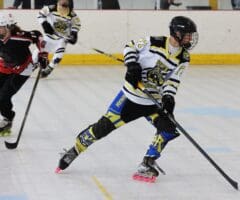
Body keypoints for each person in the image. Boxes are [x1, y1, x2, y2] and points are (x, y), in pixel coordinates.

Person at [56, 16, 198, 182]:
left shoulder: (184, 57)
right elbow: (130, 47)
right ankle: (75, 149)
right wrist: (131, 65)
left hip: (152, 102)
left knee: (168, 129)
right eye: (188, 35)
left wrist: (168, 97)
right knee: (102, 128)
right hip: (129, 98)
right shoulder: (154, 42)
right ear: (177, 33)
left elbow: (173, 80)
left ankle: (147, 163)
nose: (190, 39)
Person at [0, 12, 48, 136]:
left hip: (23, 69)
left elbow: (37, 36)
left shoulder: (19, 37)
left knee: (3, 96)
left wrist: (43, 55)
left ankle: (8, 118)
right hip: (5, 67)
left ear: (8, 27)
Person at [33, 0, 81, 78]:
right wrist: (45, 25)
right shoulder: (51, 8)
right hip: (49, 37)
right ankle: (33, 65)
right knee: (37, 51)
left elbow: (77, 24)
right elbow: (40, 14)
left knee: (59, 55)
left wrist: (74, 34)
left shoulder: (72, 14)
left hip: (62, 39)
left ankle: (49, 68)